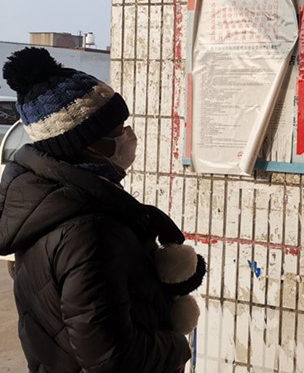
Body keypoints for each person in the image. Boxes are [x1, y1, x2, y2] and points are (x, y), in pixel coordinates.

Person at [0, 47, 204, 373]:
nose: (129, 136)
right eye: (117, 129)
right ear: (86, 144)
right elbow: (112, 358)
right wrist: (177, 347)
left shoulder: (57, 204)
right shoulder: (87, 230)